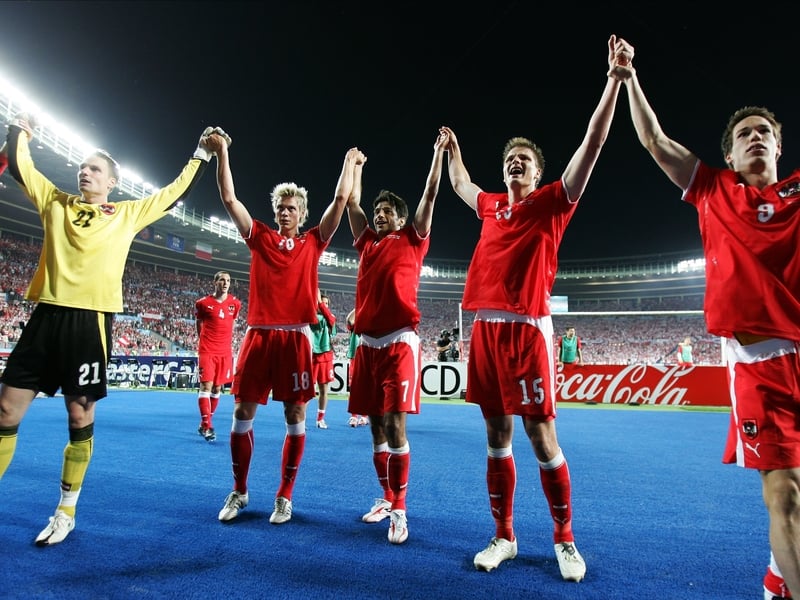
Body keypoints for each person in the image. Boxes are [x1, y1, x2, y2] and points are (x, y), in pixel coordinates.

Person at [613, 36, 800, 600]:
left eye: (765, 131)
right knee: (785, 495)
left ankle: (777, 577)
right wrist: (628, 78)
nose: (756, 138)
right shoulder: (713, 189)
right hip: (761, 363)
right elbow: (653, 140)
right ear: (732, 154)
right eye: (745, 134)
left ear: (779, 147)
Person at [441, 35, 626, 581]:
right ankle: (504, 535)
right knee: (496, 437)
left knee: (541, 437)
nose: (515, 162)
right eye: (508, 159)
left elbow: (591, 145)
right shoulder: (491, 206)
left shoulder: (552, 204)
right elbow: (458, 183)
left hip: (528, 331)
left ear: (540, 172)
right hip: (485, 331)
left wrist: (613, 81)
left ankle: (565, 540)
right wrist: (451, 152)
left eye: (524, 158)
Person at [0, 112, 219, 546]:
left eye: (95, 168)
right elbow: (22, 166)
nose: (85, 171)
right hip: (45, 316)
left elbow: (173, 193)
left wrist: (199, 155)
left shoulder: (125, 213)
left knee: (79, 415)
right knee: (5, 411)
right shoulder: (55, 201)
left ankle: (66, 510)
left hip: (91, 321)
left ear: (112, 182)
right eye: (82, 166)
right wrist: (18, 132)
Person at [211, 128, 361, 526]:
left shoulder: (314, 242)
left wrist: (349, 164)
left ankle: (284, 496)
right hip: (259, 335)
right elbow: (229, 199)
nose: (285, 212)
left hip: (296, 337)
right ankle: (240, 490)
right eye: (280, 206)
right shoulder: (258, 237)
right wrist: (224, 151)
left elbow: (341, 199)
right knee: (241, 412)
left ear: (302, 213)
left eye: (292, 207)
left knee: (296, 416)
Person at [346, 128, 448, 544]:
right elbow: (351, 202)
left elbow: (430, 192)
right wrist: (354, 167)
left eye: (387, 209)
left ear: (401, 218)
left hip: (400, 342)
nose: (379, 213)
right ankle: (387, 497)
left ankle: (402, 509)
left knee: (395, 425)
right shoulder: (367, 242)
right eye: (378, 209)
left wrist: (439, 153)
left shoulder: (413, 238)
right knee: (374, 427)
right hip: (366, 346)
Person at [194, 270, 242, 442]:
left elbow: (232, 323)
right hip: (207, 351)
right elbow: (199, 324)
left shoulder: (235, 304)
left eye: (228, 280)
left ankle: (204, 422)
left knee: (217, 389)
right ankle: (207, 427)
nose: (225, 283)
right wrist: (205, 342)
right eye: (222, 280)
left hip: (225, 352)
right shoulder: (203, 303)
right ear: (215, 282)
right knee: (206, 386)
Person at [310, 290, 337, 429]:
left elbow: (331, 320)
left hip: (326, 357)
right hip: (312, 357)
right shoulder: (311, 316)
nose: (324, 305)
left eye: (326, 303)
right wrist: (318, 303)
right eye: (322, 302)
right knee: (307, 391)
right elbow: (315, 321)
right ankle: (300, 419)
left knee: (324, 390)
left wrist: (320, 302)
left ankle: (320, 419)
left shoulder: (330, 317)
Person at [345, 308, 367, 427]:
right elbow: (349, 320)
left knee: (366, 388)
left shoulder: (372, 322)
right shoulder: (356, 324)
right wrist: (359, 305)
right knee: (353, 388)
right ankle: (353, 416)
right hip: (355, 357)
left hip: (368, 356)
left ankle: (364, 416)